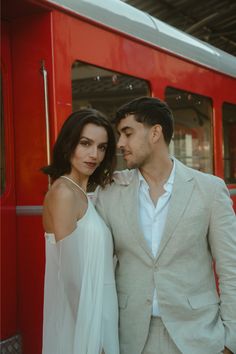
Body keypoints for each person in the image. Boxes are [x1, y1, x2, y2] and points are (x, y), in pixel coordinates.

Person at [96, 97, 236, 354]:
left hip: (199, 338)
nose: (120, 144)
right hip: (131, 339)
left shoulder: (210, 189)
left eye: (128, 133)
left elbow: (231, 268)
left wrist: (231, 341)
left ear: (155, 133)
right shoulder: (110, 193)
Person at [41, 109, 119, 354]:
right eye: (85, 143)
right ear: (68, 144)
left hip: (100, 310)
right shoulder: (63, 193)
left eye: (102, 147)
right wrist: (93, 339)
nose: (94, 154)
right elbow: (71, 279)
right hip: (83, 320)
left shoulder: (82, 193)